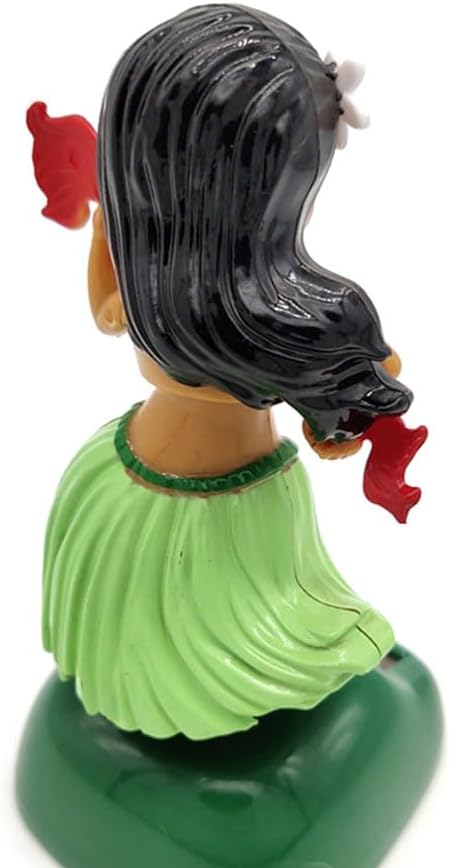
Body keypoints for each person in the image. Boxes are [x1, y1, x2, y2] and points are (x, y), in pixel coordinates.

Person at [43, 4, 412, 740]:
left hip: (129, 474)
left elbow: (107, 311)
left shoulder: (138, 286)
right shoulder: (316, 321)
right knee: (248, 627)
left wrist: (107, 228)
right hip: (239, 501)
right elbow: (372, 389)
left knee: (152, 628)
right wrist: (334, 415)